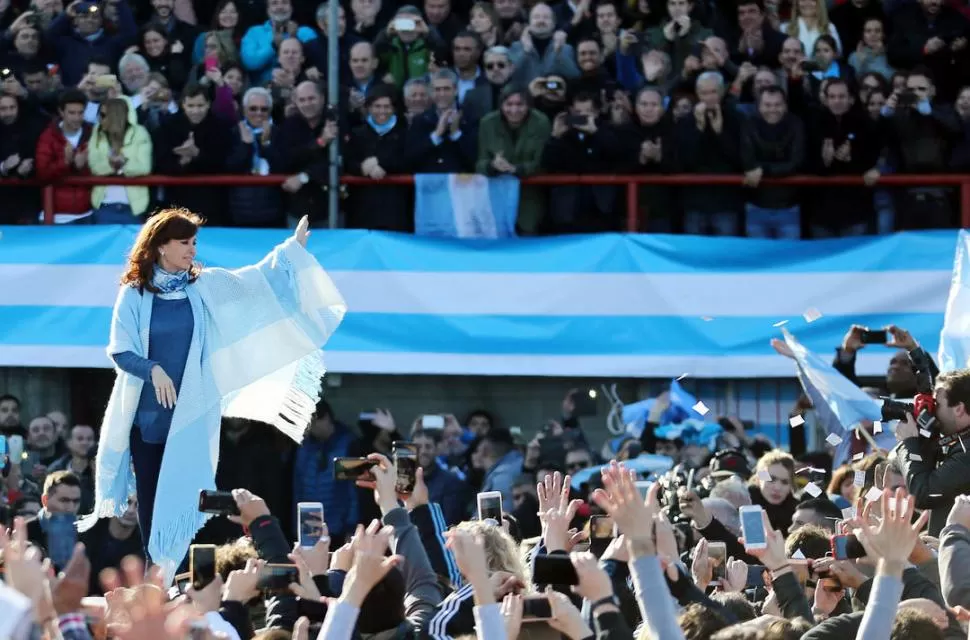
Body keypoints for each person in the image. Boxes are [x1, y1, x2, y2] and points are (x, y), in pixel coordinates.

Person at [82, 208, 347, 582]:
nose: (192, 250)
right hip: (146, 420)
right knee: (152, 507)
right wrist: (152, 368)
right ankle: (153, 582)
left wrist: (291, 252)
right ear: (161, 247)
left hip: (191, 416)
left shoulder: (201, 286)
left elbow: (252, 283)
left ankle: (169, 581)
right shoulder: (134, 294)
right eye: (184, 243)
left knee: (185, 503)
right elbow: (119, 350)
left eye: (194, 242)